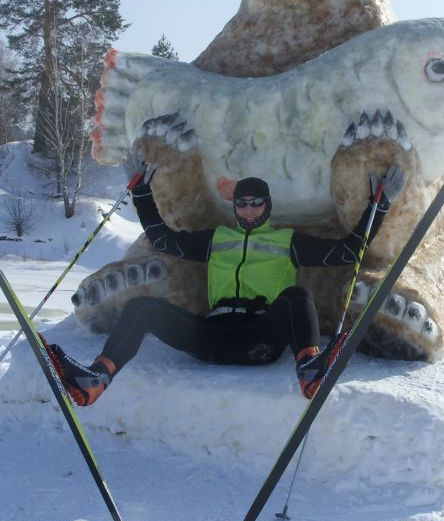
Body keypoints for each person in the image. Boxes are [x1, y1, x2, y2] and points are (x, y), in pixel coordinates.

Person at [45, 148, 406, 405]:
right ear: (235, 207)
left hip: (258, 338)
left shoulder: (287, 241)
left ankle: (310, 369)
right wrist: (141, 192)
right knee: (141, 307)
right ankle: (96, 379)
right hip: (209, 338)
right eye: (242, 203)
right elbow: (162, 239)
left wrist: (380, 204)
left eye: (256, 202)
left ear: (267, 206)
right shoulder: (217, 238)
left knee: (296, 297)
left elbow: (348, 251)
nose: (248, 208)